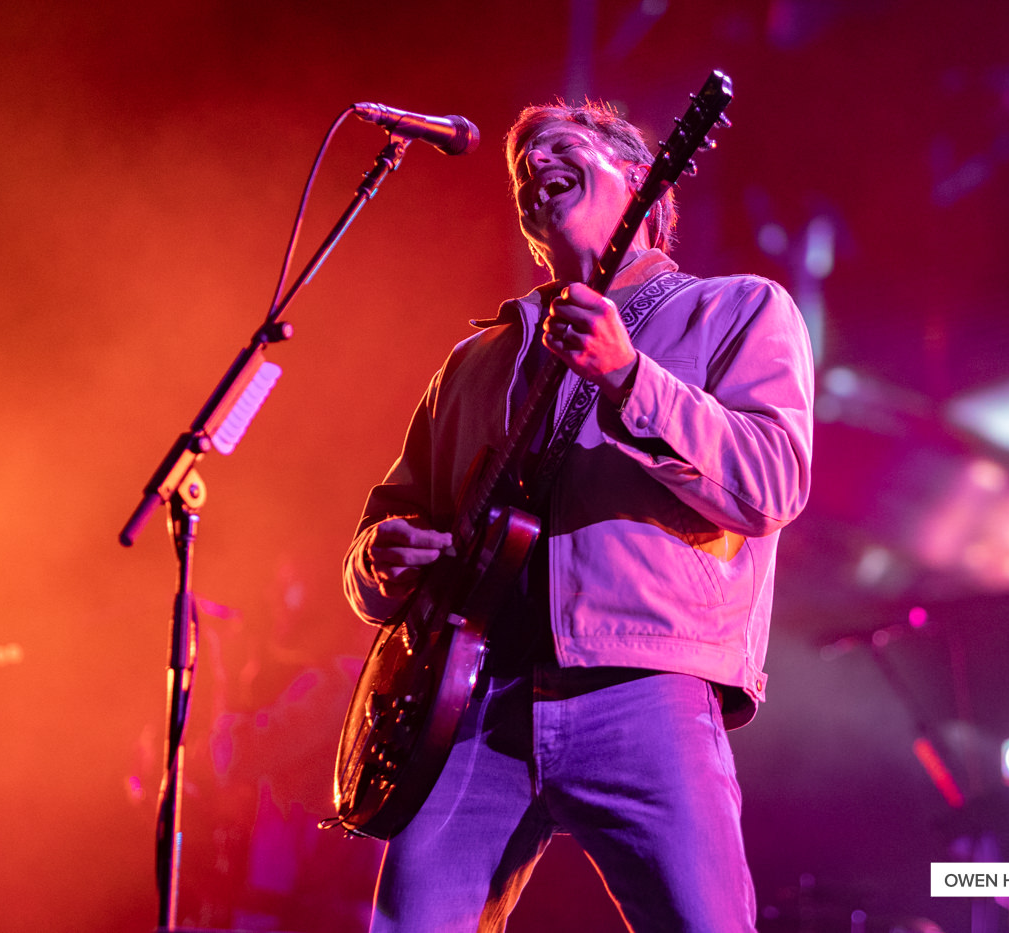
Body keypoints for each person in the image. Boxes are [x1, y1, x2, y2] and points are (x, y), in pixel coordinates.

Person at [341, 97, 814, 932]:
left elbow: (770, 483)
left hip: (643, 685)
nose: (531, 168)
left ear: (638, 178)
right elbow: (385, 527)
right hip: (474, 702)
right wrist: (378, 558)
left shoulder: (739, 310)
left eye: (560, 146)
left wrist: (632, 377)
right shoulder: (475, 361)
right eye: (520, 166)